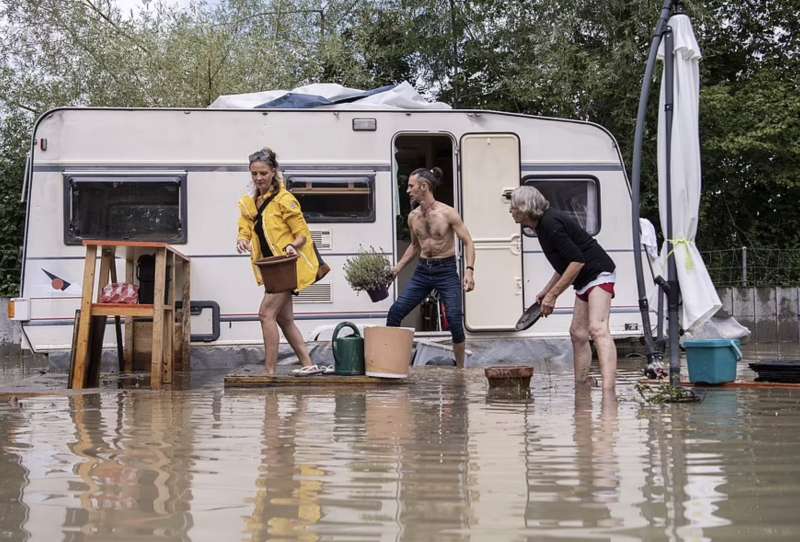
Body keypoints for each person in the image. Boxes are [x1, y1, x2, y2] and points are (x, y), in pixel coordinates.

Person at [509, 185, 617, 391]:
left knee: (598, 328)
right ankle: (582, 386)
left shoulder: (550, 223)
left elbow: (577, 261)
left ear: (524, 208)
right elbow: (566, 263)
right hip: (584, 279)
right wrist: (546, 290)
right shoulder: (541, 226)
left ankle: (609, 391)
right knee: (577, 333)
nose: (511, 211)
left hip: (598, 272)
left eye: (513, 206)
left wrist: (553, 295)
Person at [236, 147, 327, 375]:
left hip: (286, 266)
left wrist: (292, 246)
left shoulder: (284, 199)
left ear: (273, 172)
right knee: (285, 319)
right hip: (270, 268)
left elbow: (301, 233)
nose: (258, 178)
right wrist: (242, 239)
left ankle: (269, 371)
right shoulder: (251, 201)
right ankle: (308, 364)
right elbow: (246, 226)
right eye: (254, 174)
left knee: (266, 314)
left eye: (263, 173)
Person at [387, 167, 476, 368]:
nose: (408, 190)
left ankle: (460, 369)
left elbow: (468, 241)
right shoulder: (413, 217)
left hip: (446, 270)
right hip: (423, 272)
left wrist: (469, 270)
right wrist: (397, 269)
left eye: (411, 186)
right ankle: (392, 363)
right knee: (395, 312)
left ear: (424, 186)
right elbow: (415, 246)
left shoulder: (448, 213)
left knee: (454, 319)